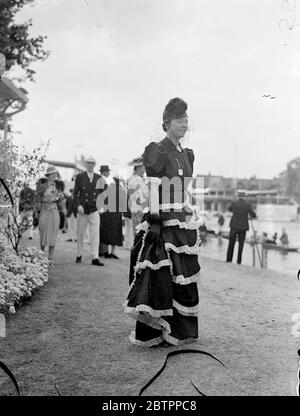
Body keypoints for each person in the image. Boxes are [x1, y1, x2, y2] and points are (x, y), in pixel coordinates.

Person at [124, 97, 201, 347]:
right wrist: (155, 220)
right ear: (167, 123)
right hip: (162, 219)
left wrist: (189, 208)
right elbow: (153, 187)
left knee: (181, 277)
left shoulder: (186, 154)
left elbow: (182, 189)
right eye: (180, 120)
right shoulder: (158, 149)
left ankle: (177, 331)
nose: (184, 123)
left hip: (180, 220)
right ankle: (154, 332)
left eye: (186, 119)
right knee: (159, 276)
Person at [73, 156, 104, 266]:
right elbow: (75, 193)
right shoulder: (80, 177)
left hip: (94, 208)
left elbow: (103, 193)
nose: (91, 165)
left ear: (95, 165)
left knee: (95, 233)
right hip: (83, 208)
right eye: (89, 163)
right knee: (80, 233)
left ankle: (95, 257)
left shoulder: (99, 177)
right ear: (86, 164)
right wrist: (78, 205)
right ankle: (79, 254)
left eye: (93, 163)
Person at [35, 165, 65, 265]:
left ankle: (51, 258)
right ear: (48, 175)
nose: (54, 175)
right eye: (52, 173)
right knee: (43, 232)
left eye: (55, 173)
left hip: (54, 210)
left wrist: (60, 197)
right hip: (44, 209)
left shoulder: (59, 186)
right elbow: (37, 197)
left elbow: (61, 200)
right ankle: (41, 256)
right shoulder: (42, 185)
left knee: (53, 234)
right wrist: (37, 210)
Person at [98, 165, 124, 259]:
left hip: (115, 209)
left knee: (115, 230)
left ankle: (112, 252)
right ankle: (105, 251)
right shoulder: (100, 181)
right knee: (105, 230)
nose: (106, 172)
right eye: (104, 171)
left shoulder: (115, 180)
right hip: (106, 209)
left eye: (107, 171)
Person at [226, 190, 256, 264]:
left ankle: (229, 260)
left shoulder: (234, 203)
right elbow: (254, 215)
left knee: (231, 243)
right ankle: (239, 261)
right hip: (243, 227)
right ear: (245, 196)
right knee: (241, 244)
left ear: (238, 196)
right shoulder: (247, 204)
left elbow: (229, 209)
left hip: (234, 225)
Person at [127, 156, 148, 237]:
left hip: (139, 209)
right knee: (139, 234)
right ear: (139, 167)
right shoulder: (135, 179)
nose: (145, 169)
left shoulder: (138, 178)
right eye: (144, 167)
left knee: (140, 234)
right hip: (138, 210)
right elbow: (138, 198)